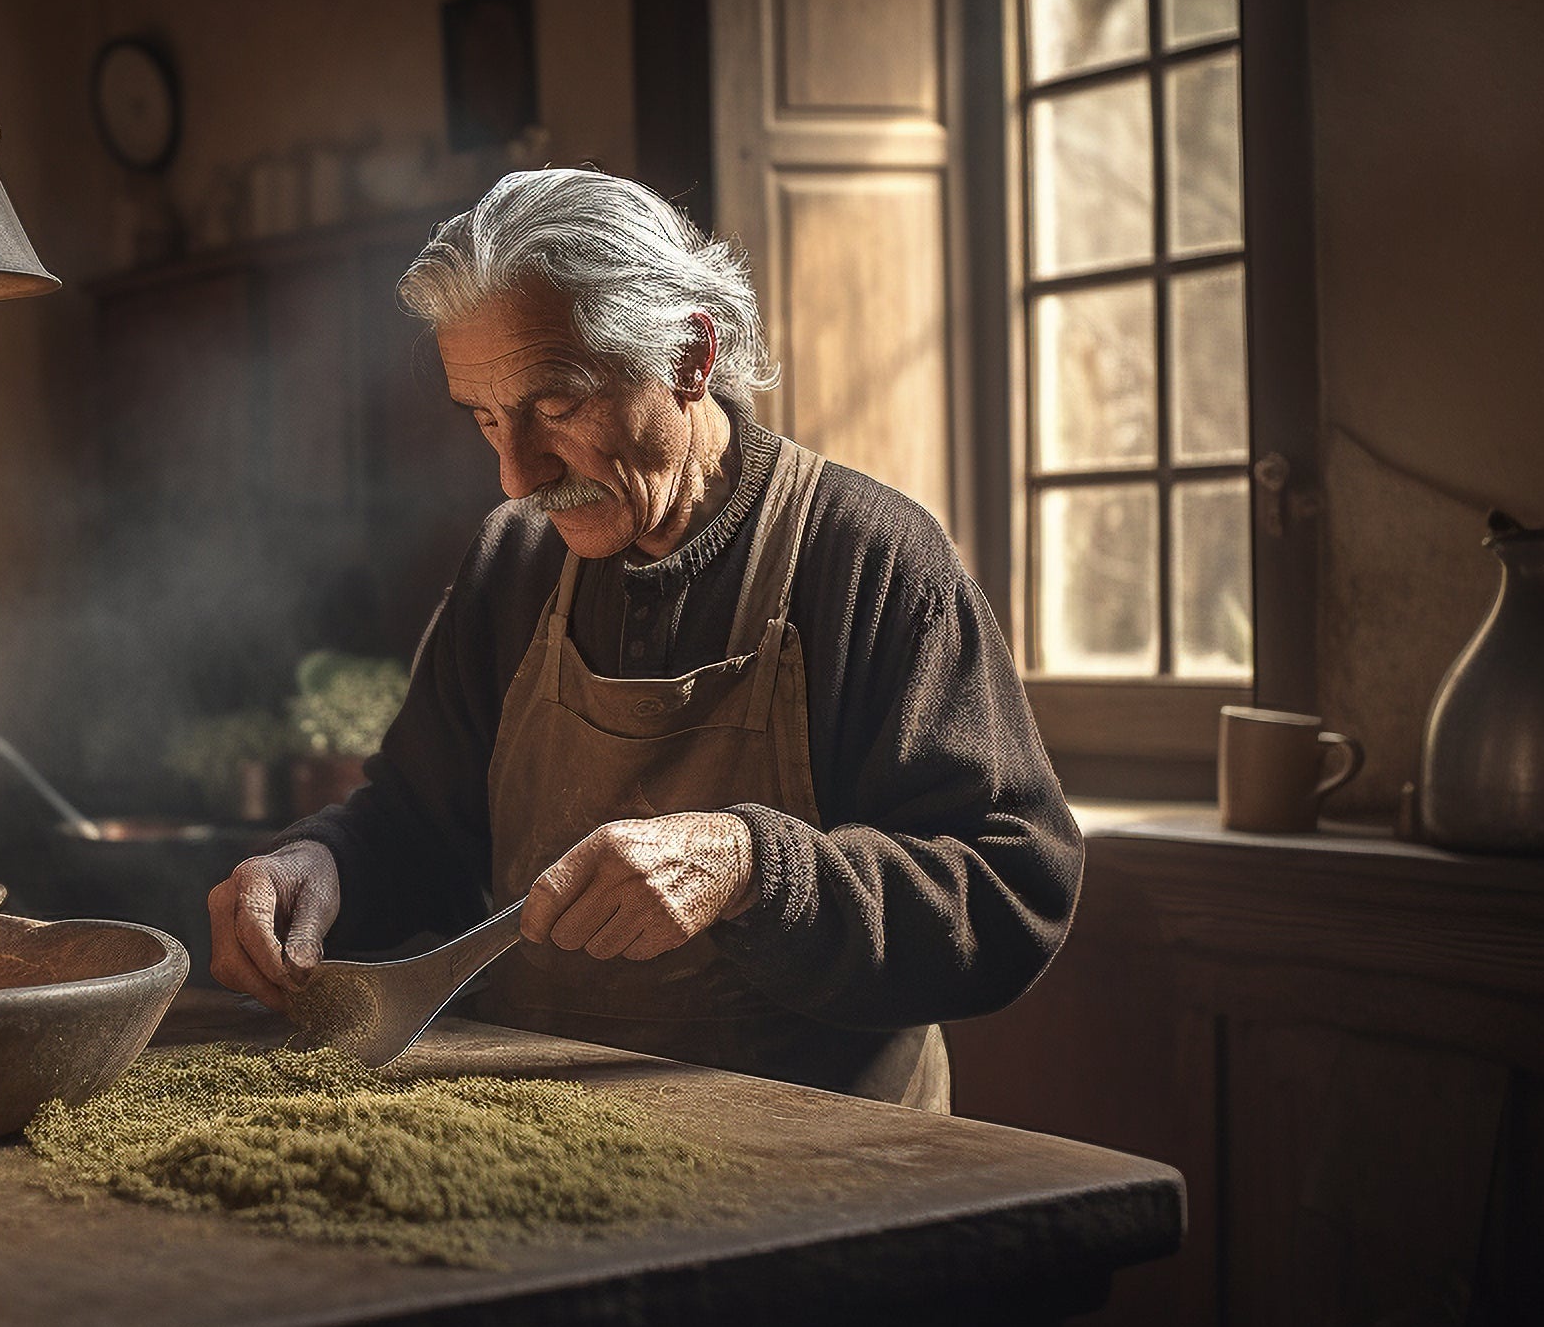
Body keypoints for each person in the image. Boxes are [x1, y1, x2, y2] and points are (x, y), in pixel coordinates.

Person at [207, 168, 1081, 1108]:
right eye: (488, 420)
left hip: (823, 1162)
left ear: (691, 357)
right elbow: (423, 827)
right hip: (547, 1134)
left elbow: (1010, 893)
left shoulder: (870, 559)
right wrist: (322, 864)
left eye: (557, 409)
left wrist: (756, 868)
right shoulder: (513, 563)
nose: (516, 476)